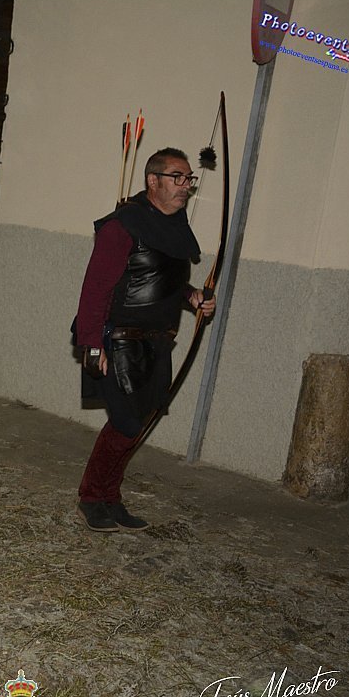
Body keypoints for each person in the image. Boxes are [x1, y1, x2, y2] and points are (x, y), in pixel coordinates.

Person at [74, 147, 216, 532]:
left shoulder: (174, 226)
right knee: (125, 423)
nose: (185, 186)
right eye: (177, 177)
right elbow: (96, 290)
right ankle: (91, 498)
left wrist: (192, 296)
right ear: (153, 181)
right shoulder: (123, 225)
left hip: (156, 344)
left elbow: (161, 279)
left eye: (189, 179)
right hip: (118, 341)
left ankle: (110, 498)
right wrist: (92, 345)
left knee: (136, 422)